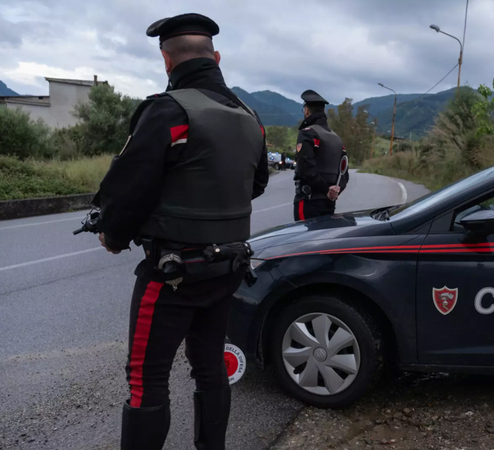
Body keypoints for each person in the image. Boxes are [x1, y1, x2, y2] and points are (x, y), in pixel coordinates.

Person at [91, 13, 270, 450]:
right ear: (216, 58)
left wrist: (113, 236)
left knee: (146, 377)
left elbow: (129, 186)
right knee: (209, 367)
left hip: (172, 274)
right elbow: (257, 183)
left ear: (167, 61)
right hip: (227, 266)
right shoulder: (250, 118)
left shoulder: (169, 110)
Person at [293, 89, 349, 220]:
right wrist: (335, 190)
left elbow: (305, 169)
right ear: (324, 111)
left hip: (308, 201)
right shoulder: (336, 138)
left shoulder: (307, 133)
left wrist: (326, 189)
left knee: (303, 233)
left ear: (306, 111)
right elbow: (344, 172)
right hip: (329, 202)